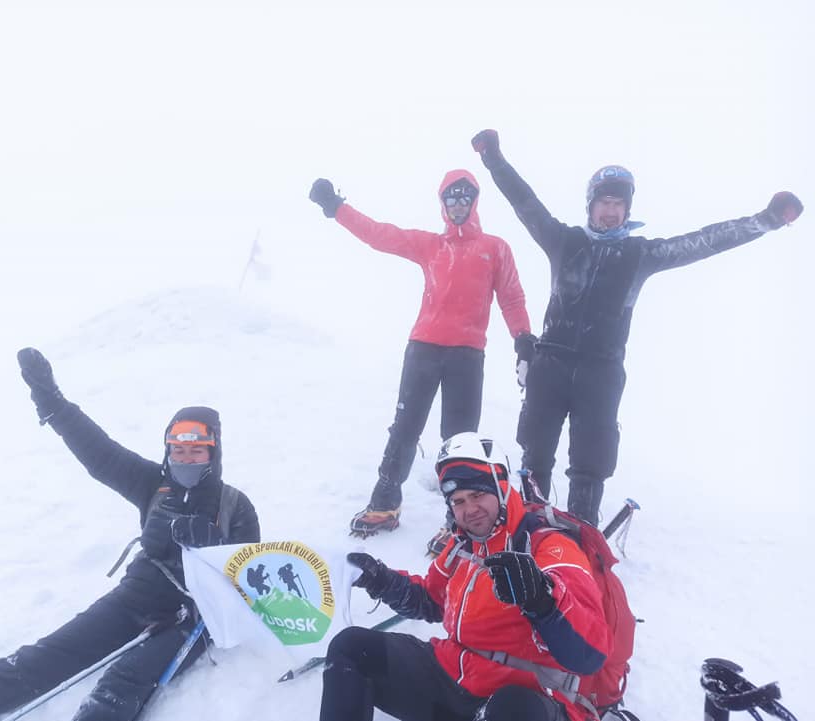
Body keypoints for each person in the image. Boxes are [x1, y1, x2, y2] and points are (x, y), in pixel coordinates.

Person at [0, 348, 260, 721]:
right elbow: (100, 453)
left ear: (213, 453)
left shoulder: (234, 506)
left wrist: (215, 548)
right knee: (38, 660)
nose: (185, 459)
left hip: (191, 617)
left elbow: (251, 590)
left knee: (121, 682)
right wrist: (52, 402)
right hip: (132, 599)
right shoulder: (154, 485)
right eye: (177, 450)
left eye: (196, 451)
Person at [470, 129, 804, 525]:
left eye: (618, 204)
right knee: (536, 453)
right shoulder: (565, 241)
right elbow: (525, 202)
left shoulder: (640, 254)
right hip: (552, 365)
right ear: (591, 206)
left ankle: (580, 533)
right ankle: (529, 526)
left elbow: (703, 242)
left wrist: (765, 221)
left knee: (590, 463)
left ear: (627, 210)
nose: (610, 211)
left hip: (601, 370)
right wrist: (493, 158)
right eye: (604, 202)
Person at [319, 431, 611, 721]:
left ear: (501, 487)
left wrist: (542, 601)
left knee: (513, 709)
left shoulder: (549, 546)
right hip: (456, 678)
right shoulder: (463, 545)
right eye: (457, 501)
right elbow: (431, 600)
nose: (469, 509)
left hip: (525, 696)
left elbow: (590, 654)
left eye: (477, 494)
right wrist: (378, 579)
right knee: (352, 648)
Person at [309, 172, 533, 539]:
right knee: (404, 429)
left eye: (465, 198)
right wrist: (336, 207)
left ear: (474, 202)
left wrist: (523, 339)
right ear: (443, 204)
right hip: (424, 349)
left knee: (459, 438)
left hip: (467, 355)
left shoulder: (495, 248)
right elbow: (379, 235)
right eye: (451, 199)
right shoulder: (430, 245)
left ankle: (459, 522)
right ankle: (384, 505)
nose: (458, 205)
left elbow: (512, 298)